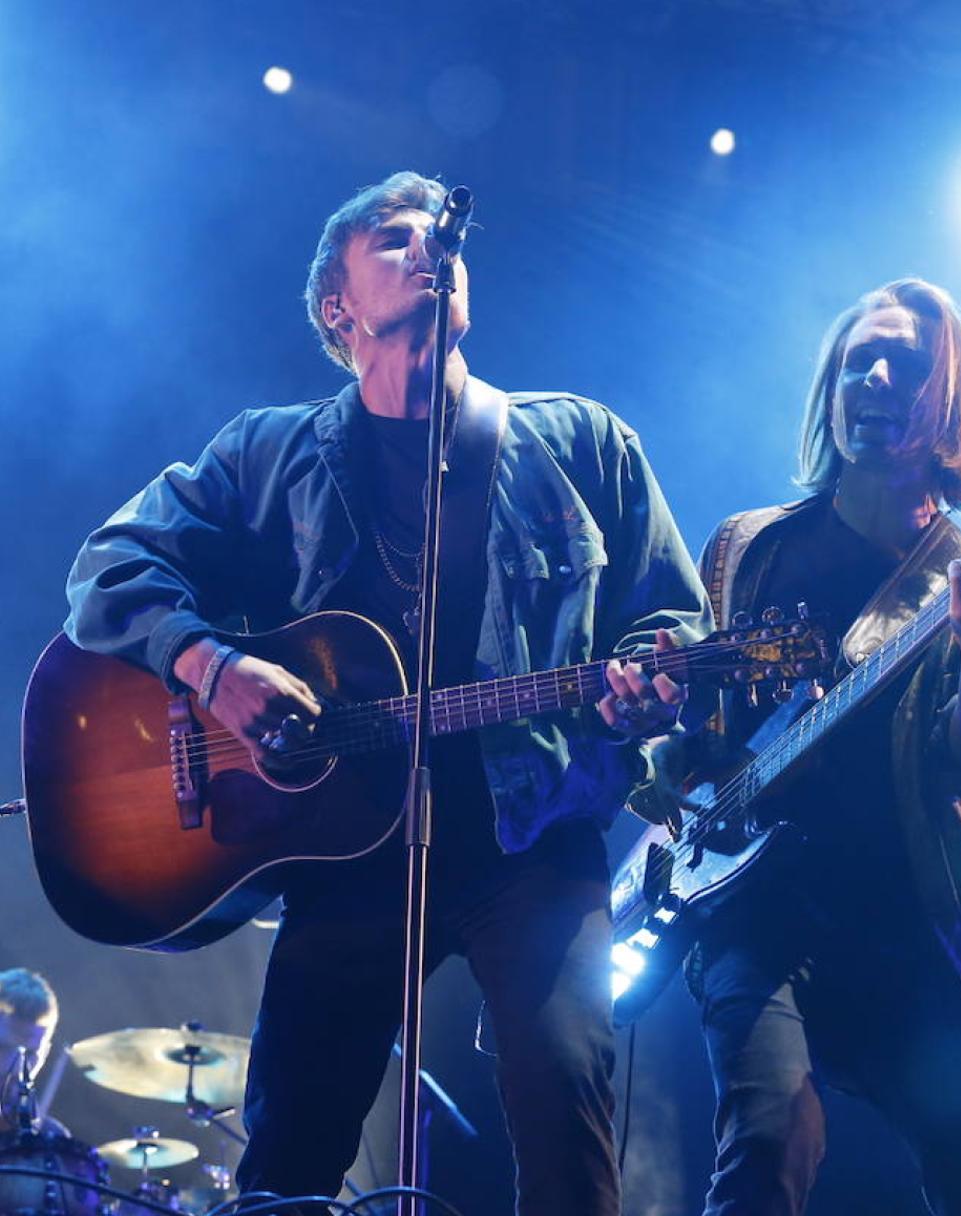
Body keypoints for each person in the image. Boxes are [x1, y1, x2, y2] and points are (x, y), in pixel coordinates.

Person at [64, 171, 711, 1216]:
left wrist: (653, 685)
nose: (429, 249)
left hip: (529, 845)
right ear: (338, 305)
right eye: (395, 238)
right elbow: (108, 566)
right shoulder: (266, 457)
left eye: (440, 239)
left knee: (562, 1097)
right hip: (346, 854)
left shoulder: (581, 443)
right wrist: (212, 668)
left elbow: (672, 624)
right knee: (288, 1148)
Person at [638, 278, 961, 1216]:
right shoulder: (745, 548)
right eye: (855, 361)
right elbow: (701, 736)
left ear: (947, 398)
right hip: (759, 911)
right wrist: (668, 716)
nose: (874, 377)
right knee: (763, 1145)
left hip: (918, 922)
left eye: (904, 364)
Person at [0, 968, 60, 1134]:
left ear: (45, 1054)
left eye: (30, 1054)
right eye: (4, 1048)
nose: (19, 1068)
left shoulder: (49, 1138)